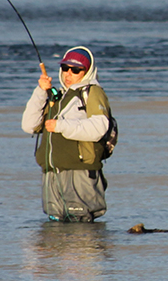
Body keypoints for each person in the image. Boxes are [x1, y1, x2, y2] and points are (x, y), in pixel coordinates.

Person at [21, 46, 111, 222]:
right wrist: (40, 92)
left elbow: (100, 128)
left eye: (76, 70)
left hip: (80, 171)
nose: (69, 74)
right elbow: (29, 125)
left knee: (81, 223)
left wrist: (61, 126)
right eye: (65, 68)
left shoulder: (93, 92)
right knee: (55, 223)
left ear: (86, 72)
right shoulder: (58, 96)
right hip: (52, 171)